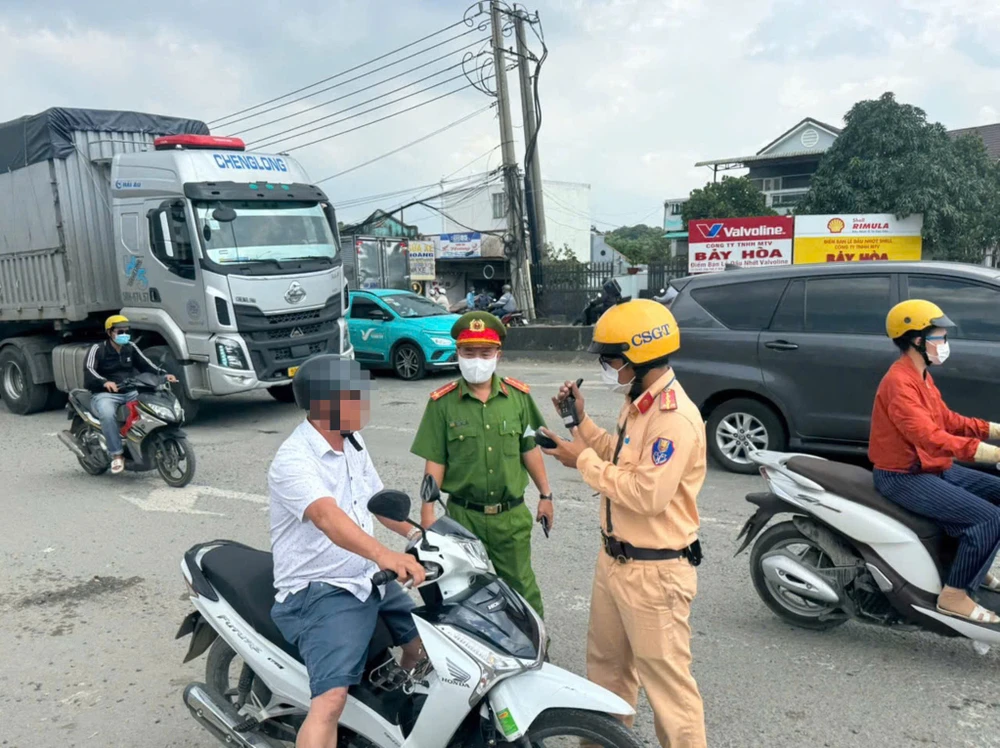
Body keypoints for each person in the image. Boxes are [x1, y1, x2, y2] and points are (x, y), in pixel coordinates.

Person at [539, 298, 707, 748]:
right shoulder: (640, 404)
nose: (605, 368)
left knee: (670, 693)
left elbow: (647, 494)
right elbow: (617, 456)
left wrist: (582, 460)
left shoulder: (673, 418)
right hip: (615, 562)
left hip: (655, 571)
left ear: (638, 358)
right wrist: (578, 422)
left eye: (610, 360)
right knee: (606, 675)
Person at [268, 355, 426, 748]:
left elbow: (375, 500)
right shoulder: (294, 459)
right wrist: (385, 555)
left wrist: (420, 535)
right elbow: (327, 517)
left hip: (367, 577)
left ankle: (394, 715)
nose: (363, 403)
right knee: (330, 700)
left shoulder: (351, 442)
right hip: (320, 589)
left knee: (426, 649)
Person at [410, 311, 553, 618]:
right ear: (458, 353)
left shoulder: (518, 398)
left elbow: (529, 449)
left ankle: (535, 643)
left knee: (521, 588)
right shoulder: (442, 403)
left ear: (497, 355)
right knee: (463, 590)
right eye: (469, 352)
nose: (477, 359)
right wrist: (427, 513)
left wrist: (546, 495)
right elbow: (435, 460)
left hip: (509, 516)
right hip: (463, 517)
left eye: (485, 353)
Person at [869, 299, 1000, 624]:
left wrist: (993, 430)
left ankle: (972, 566)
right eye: (939, 336)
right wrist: (992, 453)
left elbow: (947, 419)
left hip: (931, 467)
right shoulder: (899, 383)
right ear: (917, 339)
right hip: (903, 476)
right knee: (987, 519)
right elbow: (930, 437)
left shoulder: (921, 376)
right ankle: (953, 596)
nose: (944, 343)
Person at [83, 314, 177, 474]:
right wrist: (104, 382)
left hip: (131, 391)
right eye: (120, 332)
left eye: (126, 331)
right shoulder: (98, 349)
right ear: (109, 332)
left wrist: (163, 374)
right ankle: (117, 454)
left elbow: (146, 364)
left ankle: (141, 443)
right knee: (107, 414)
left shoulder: (130, 347)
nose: (124, 335)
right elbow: (89, 369)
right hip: (105, 394)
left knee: (151, 405)